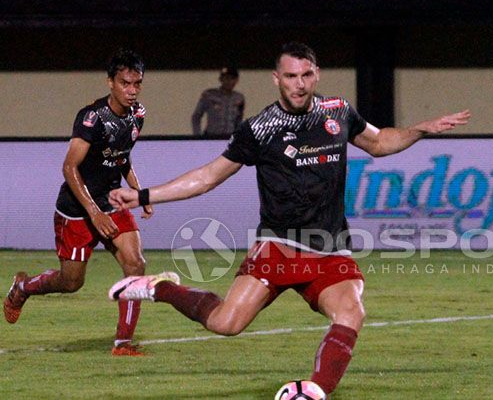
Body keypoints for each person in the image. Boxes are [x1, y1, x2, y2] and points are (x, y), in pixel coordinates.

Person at [107, 42, 471, 395]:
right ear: (276, 79)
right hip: (279, 248)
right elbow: (208, 177)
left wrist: (421, 129)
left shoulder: (337, 111)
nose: (299, 83)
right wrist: (141, 195)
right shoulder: (260, 129)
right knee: (225, 323)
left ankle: (315, 391)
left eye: (306, 75)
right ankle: (162, 288)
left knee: (351, 312)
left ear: (316, 75)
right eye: (291, 75)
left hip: (330, 251)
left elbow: (379, 142)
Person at [2, 48, 175, 356]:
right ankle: (23, 287)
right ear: (110, 82)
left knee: (135, 263)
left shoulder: (138, 116)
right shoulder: (92, 118)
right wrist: (93, 214)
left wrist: (139, 192)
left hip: (111, 201)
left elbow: (122, 157)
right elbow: (69, 167)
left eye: (137, 84)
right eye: (125, 83)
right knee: (71, 282)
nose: (132, 90)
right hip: (77, 209)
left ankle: (123, 343)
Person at [191, 67, 245, 137]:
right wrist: (197, 136)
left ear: (236, 80)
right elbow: (196, 116)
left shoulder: (239, 98)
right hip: (211, 137)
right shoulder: (209, 95)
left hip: (229, 138)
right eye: (226, 78)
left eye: (232, 78)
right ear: (220, 79)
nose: (229, 82)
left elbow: (239, 120)